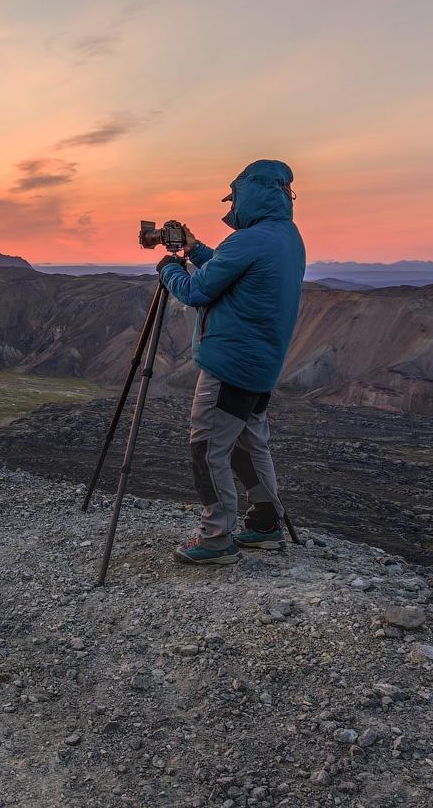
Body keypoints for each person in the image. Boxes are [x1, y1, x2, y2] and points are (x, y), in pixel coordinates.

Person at [153, 159, 305, 566]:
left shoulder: (250, 240)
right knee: (249, 444)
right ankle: (266, 524)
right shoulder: (286, 236)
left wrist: (169, 267)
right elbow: (230, 268)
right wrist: (194, 248)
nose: (233, 204)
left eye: (235, 196)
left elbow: (197, 291)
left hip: (230, 364)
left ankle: (216, 536)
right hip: (261, 365)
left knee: (206, 447)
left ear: (249, 194)